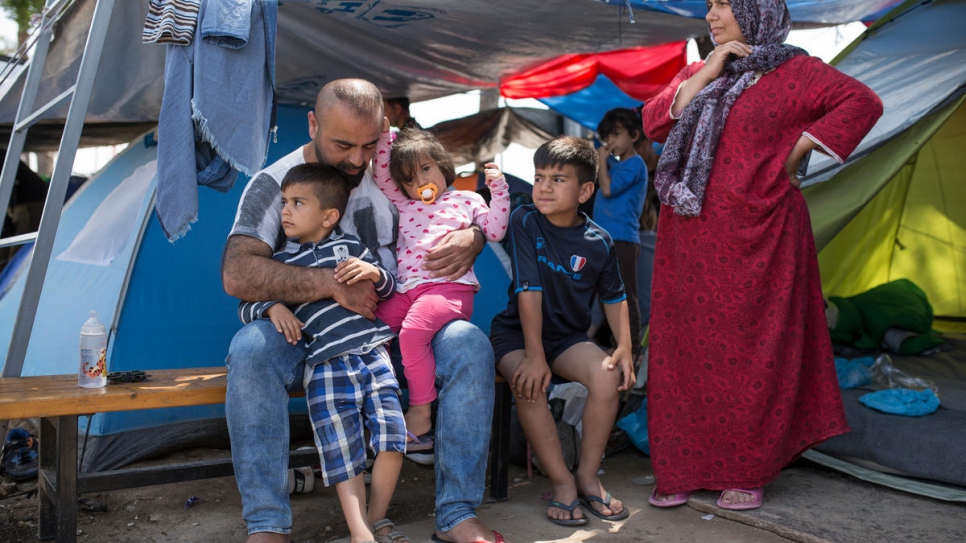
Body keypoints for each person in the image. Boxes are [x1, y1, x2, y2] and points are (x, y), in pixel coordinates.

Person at [222, 78, 505, 543]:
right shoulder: (276, 183)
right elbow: (237, 274)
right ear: (313, 125)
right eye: (343, 145)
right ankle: (268, 524)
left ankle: (457, 514)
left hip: (396, 327)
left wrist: (472, 238)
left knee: (469, 344)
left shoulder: (392, 173)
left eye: (369, 145)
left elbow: (452, 209)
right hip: (312, 335)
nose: (358, 159)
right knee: (250, 350)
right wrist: (331, 286)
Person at [642, 0, 882, 511]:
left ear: (757, 12)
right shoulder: (701, 69)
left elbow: (862, 103)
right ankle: (680, 466)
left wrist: (800, 148)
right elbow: (654, 122)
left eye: (725, 4)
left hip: (762, 236)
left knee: (751, 353)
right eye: (708, 5)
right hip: (688, 240)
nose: (711, 14)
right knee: (683, 351)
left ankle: (746, 469)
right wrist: (709, 70)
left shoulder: (799, 71)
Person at [237, 163, 404, 543]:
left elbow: (390, 287)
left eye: (298, 203)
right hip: (326, 364)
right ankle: (359, 531)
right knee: (342, 452)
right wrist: (271, 307)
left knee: (392, 437)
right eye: (284, 202)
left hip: (374, 356)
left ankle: (378, 518)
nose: (285, 211)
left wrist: (375, 274)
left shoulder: (351, 249)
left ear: (329, 216)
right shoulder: (280, 262)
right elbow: (246, 304)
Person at [490, 136, 636, 526]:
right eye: (539, 178)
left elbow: (615, 296)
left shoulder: (599, 241)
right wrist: (535, 356)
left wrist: (624, 347)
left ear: (585, 190)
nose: (544, 187)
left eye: (558, 179)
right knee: (529, 383)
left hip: (567, 338)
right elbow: (528, 291)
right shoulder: (525, 221)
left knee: (608, 377)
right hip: (517, 335)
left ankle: (588, 475)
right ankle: (562, 483)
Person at [373, 125, 510, 439]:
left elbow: (495, 230)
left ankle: (421, 407)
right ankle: (380, 408)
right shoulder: (403, 203)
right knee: (372, 334)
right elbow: (381, 175)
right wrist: (383, 137)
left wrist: (499, 191)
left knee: (411, 334)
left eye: (425, 169)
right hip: (405, 290)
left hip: (448, 288)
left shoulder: (466, 198)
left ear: (443, 165)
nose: (420, 181)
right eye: (409, 178)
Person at [593, 108, 648, 361]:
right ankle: (615, 343)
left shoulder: (635, 164)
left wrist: (602, 161)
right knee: (607, 293)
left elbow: (607, 189)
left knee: (625, 294)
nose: (610, 142)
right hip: (604, 237)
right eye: (607, 136)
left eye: (616, 134)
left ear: (634, 135)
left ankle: (632, 349)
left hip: (623, 238)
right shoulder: (616, 165)